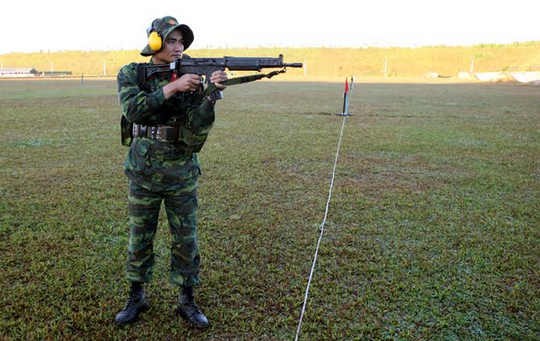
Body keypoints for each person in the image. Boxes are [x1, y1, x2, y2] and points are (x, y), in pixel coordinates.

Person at [114, 16, 227, 328]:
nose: (178, 47)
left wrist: (210, 94)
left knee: (185, 238)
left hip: (181, 171)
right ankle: (136, 296)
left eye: (182, 41)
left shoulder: (191, 74)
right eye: (172, 40)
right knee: (140, 236)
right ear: (155, 41)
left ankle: (187, 300)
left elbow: (198, 123)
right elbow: (134, 109)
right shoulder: (132, 73)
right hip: (143, 171)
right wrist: (173, 87)